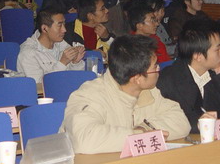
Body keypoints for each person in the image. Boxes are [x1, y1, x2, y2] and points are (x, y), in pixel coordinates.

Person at [61, 35, 190, 154]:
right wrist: (138, 135)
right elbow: (85, 140)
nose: (158, 70)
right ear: (137, 78)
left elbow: (181, 122)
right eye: (155, 67)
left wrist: (145, 129)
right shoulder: (89, 94)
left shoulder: (148, 91)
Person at [157, 19, 220, 132]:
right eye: (217, 48)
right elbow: (177, 123)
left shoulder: (216, 75)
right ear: (198, 56)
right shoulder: (169, 81)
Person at [17, 10, 85, 84]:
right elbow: (38, 85)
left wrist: (75, 63)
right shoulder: (28, 53)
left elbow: (73, 78)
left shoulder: (61, 43)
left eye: (64, 24)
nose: (64, 30)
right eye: (59, 25)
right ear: (44, 28)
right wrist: (62, 63)